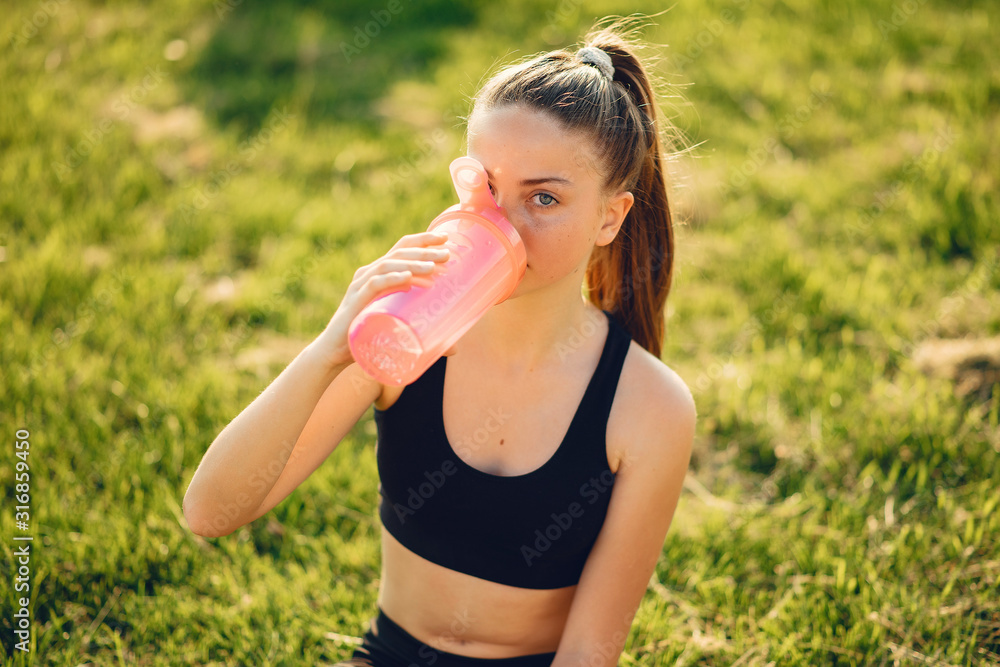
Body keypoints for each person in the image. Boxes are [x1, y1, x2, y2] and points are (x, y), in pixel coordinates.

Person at [183, 21, 696, 667]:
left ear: (608, 217)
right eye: (486, 189)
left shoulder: (649, 406)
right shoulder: (406, 339)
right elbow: (211, 510)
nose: (501, 224)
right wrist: (326, 352)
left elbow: (591, 648)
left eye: (543, 197)